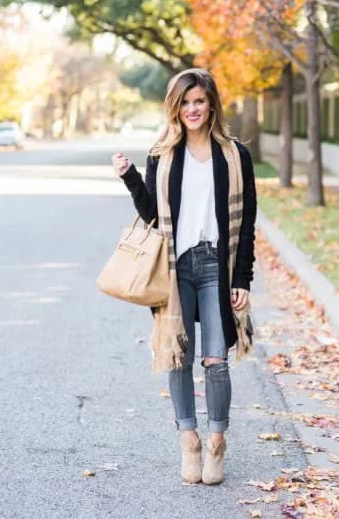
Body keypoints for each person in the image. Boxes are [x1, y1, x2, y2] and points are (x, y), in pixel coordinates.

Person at [112, 68, 256, 486]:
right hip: (177, 268)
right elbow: (153, 214)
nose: (192, 109)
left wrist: (242, 278)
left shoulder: (234, 154)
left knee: (216, 360)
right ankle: (188, 440)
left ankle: (216, 443)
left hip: (217, 265)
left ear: (211, 105)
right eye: (185, 102)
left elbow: (245, 222)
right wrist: (130, 176)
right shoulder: (164, 153)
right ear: (175, 108)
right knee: (179, 356)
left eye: (199, 101)